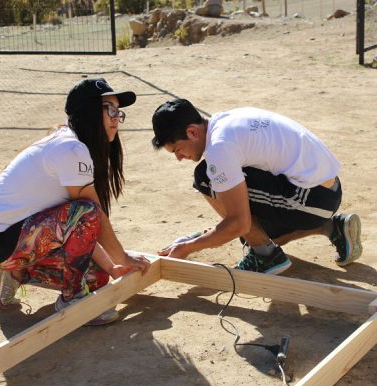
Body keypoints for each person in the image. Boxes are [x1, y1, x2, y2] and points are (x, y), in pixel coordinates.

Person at [0, 78, 150, 325]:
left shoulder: (71, 145)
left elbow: (82, 231)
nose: (116, 118)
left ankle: (15, 272)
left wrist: (112, 267)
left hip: (19, 238)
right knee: (87, 211)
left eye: (118, 112)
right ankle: (72, 299)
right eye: (110, 109)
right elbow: (90, 216)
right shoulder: (70, 148)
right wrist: (121, 256)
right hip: (1, 240)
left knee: (98, 277)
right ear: (89, 111)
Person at [151, 99, 362, 274]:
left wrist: (188, 247)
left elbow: (238, 223)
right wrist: (213, 235)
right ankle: (332, 227)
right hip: (325, 191)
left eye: (177, 149)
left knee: (206, 179)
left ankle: (266, 255)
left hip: (311, 199)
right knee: (254, 231)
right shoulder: (225, 121)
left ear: (192, 132)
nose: (179, 158)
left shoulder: (219, 147)